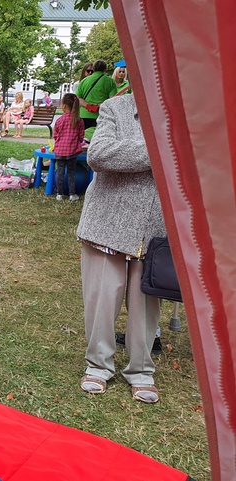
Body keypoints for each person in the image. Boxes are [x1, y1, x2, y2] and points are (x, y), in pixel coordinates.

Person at [76, 94, 166, 404]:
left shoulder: (184, 115)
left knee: (145, 303)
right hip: (108, 222)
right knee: (103, 297)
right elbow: (99, 155)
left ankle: (141, 371)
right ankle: (98, 366)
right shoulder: (116, 107)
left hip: (154, 226)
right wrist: (162, 150)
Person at [52, 93, 86, 201]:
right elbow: (81, 137)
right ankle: (72, 194)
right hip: (73, 151)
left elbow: (55, 135)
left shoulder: (59, 120)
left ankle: (59, 194)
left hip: (60, 150)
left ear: (64, 106)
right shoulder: (79, 121)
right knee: (71, 173)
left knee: (60, 172)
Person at [76, 59, 118, 129]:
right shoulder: (110, 81)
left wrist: (89, 106)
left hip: (84, 115)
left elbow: (78, 98)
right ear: (105, 69)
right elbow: (113, 100)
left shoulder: (84, 81)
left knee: (84, 137)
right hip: (102, 115)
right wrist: (98, 106)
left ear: (94, 68)